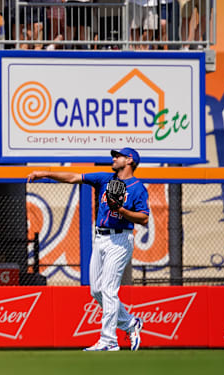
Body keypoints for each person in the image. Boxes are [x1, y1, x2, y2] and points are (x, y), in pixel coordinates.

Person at [27, 147, 149, 351]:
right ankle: (130, 324)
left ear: (129, 160)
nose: (114, 158)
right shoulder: (104, 179)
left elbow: (144, 218)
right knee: (96, 291)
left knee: (109, 290)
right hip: (100, 238)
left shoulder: (137, 188)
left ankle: (109, 341)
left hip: (120, 239)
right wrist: (45, 173)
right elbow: (73, 177)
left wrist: (120, 209)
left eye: (118, 156)